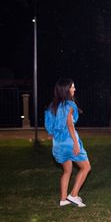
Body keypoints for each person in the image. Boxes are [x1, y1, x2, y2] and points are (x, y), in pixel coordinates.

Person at [44, 78, 91, 207]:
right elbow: (70, 125)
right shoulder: (69, 105)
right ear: (66, 89)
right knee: (86, 167)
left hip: (58, 143)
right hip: (69, 142)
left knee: (66, 171)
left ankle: (63, 199)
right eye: (72, 87)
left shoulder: (52, 105)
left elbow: (50, 126)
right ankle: (74, 195)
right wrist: (76, 143)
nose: (74, 89)